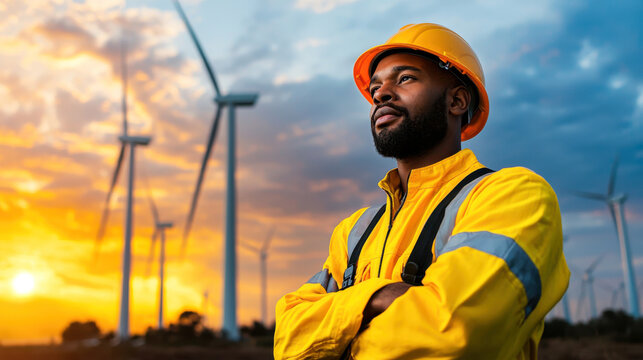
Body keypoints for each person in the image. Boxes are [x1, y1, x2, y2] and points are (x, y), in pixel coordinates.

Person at [274, 23, 569, 360]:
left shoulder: (514, 196)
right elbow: (287, 339)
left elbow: (453, 334)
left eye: (405, 79)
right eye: (375, 88)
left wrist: (339, 327)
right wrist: (378, 298)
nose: (382, 94)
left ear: (457, 100)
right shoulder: (353, 232)